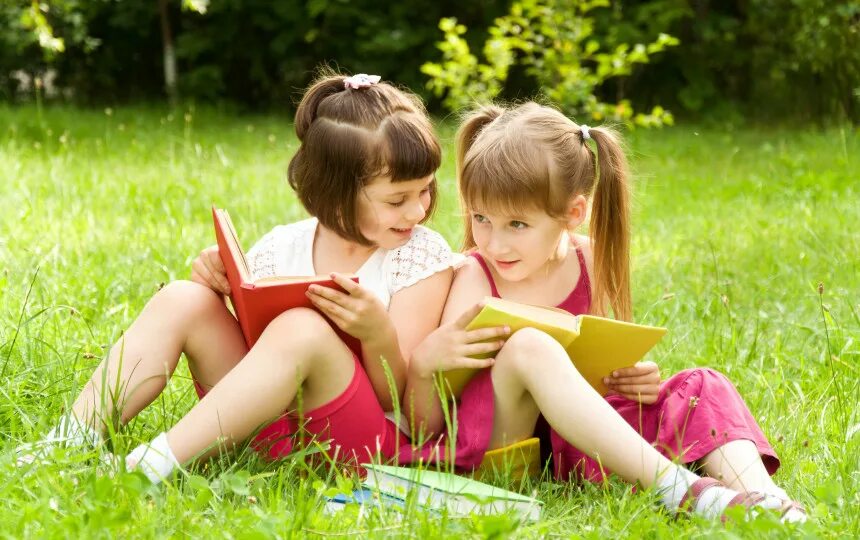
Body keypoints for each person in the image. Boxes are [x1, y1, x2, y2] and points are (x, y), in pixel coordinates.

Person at [19, 72, 455, 483]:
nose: (417, 211)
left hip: (360, 446)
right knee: (182, 298)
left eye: (426, 191)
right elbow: (253, 351)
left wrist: (376, 332)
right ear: (334, 191)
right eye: (397, 200)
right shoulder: (281, 247)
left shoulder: (419, 257)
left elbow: (407, 404)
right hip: (263, 429)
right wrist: (215, 291)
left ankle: (150, 466)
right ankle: (68, 441)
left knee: (301, 328)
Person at [403, 102, 806, 522]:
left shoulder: (589, 260)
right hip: (499, 445)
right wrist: (426, 364)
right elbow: (430, 425)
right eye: (481, 218)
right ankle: (680, 489)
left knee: (704, 384)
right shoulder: (472, 275)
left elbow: (598, 363)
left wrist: (635, 378)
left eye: (517, 225)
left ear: (573, 213)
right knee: (528, 347)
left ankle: (765, 500)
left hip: (575, 441)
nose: (494, 243)